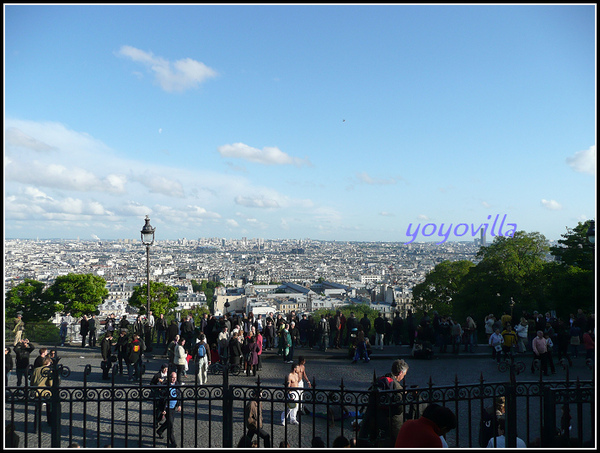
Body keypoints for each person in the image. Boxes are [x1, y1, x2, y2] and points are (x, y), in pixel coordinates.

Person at [358, 359, 409, 446]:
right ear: (400, 373)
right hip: (393, 425)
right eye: (404, 375)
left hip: (378, 421)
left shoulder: (380, 380)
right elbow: (399, 409)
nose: (403, 377)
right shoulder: (397, 386)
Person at [156, 372, 182, 447]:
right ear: (169, 377)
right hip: (167, 408)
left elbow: (178, 394)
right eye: (172, 377)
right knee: (170, 424)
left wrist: (179, 404)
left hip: (173, 407)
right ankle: (172, 441)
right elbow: (161, 398)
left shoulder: (177, 384)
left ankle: (160, 431)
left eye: (175, 377)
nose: (174, 379)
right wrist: (162, 409)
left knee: (169, 422)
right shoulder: (165, 385)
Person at [30, 356, 54, 429]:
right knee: (49, 407)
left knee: (37, 409)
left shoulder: (36, 369)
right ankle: (50, 421)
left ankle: (36, 424)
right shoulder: (49, 370)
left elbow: (32, 381)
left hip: (36, 391)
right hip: (45, 391)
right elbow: (50, 383)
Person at [150, 364, 169, 428]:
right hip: (157, 394)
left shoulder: (168, 376)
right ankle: (155, 422)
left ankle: (159, 419)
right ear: (162, 369)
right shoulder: (157, 375)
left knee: (163, 409)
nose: (166, 370)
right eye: (164, 369)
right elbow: (151, 384)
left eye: (167, 369)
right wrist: (157, 388)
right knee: (157, 409)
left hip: (164, 395)